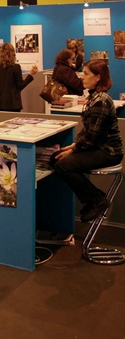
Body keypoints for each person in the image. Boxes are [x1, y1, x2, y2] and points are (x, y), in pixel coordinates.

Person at [53, 60, 123, 223]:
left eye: (86, 74)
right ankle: (92, 200)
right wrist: (73, 145)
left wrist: (73, 150)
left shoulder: (101, 101)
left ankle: (96, 200)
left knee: (62, 165)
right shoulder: (94, 98)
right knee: (56, 157)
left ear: (98, 77)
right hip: (98, 147)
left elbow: (93, 137)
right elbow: (87, 131)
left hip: (109, 152)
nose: (81, 77)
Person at [0, 43, 38, 112]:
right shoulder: (16, 67)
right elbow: (21, 85)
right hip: (13, 104)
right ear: (12, 53)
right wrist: (31, 75)